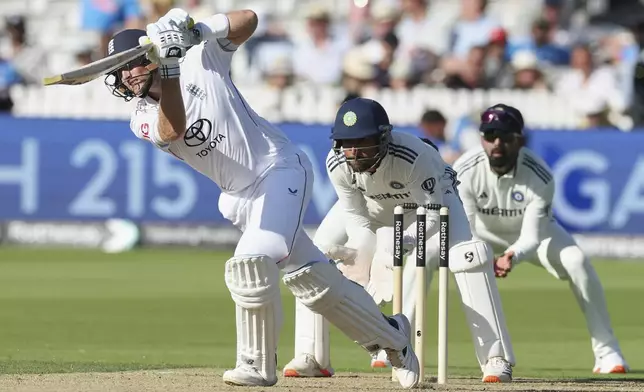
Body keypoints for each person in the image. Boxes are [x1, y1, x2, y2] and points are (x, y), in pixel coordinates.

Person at [103, 8, 420, 388]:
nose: (126, 75)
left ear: (149, 56)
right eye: (120, 70)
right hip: (241, 197)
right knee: (314, 283)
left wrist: (198, 30)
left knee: (250, 262)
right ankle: (394, 337)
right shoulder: (140, 113)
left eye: (131, 65)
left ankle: (256, 363)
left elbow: (249, 19)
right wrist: (168, 70)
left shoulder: (201, 59)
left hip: (278, 169)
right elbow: (172, 130)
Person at [283, 97, 515, 383]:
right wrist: (363, 254)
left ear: (383, 137)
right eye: (346, 142)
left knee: (471, 256)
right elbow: (355, 215)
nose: (353, 152)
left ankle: (495, 358)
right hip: (372, 206)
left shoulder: (412, 157)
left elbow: (431, 215)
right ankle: (312, 355)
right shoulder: (338, 161)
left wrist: (399, 243)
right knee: (314, 254)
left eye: (362, 141)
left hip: (433, 205)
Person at [452, 104, 629, 374]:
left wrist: (513, 255)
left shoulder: (540, 175)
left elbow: (532, 235)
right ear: (481, 138)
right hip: (482, 235)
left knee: (577, 261)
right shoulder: (464, 169)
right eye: (490, 135)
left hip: (530, 239)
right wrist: (482, 253)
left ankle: (608, 352)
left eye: (506, 136)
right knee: (428, 254)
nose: (497, 143)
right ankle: (395, 344)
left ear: (519, 139)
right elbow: (468, 225)